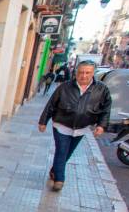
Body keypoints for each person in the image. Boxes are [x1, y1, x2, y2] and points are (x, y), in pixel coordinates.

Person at [38, 60, 112, 191]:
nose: (83, 76)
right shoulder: (65, 87)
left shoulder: (101, 89)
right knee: (61, 151)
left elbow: (106, 108)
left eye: (87, 73)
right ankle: (59, 179)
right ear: (76, 73)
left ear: (93, 73)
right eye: (81, 72)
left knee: (68, 153)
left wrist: (101, 125)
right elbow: (51, 105)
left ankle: (55, 170)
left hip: (81, 128)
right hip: (62, 125)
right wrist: (43, 121)